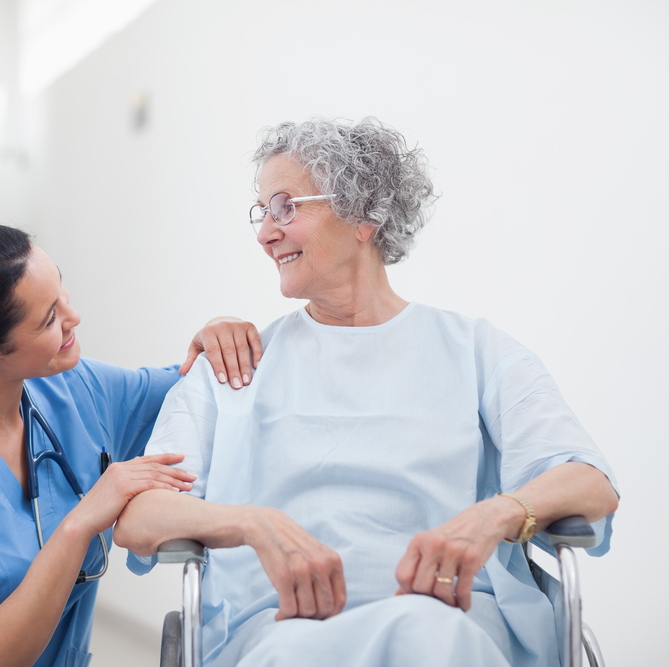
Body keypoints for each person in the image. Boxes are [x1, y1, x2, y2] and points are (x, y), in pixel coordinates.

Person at [113, 118, 620, 667]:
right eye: (262, 213)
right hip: (281, 628)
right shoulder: (232, 367)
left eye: (287, 207)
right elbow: (140, 517)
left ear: (365, 213)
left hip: (450, 618)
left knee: (432, 641)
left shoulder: (476, 351)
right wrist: (250, 522)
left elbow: (589, 483)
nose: (265, 233)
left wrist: (496, 515)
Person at [0, 223, 261, 667]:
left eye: (61, 291)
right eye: (49, 318)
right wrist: (80, 523)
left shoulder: (68, 389)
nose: (73, 317)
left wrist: (217, 337)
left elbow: (191, 394)